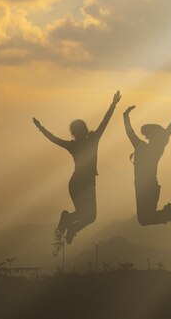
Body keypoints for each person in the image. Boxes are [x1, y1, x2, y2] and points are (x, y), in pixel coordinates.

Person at [33, 91, 121, 244]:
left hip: (76, 183)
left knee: (86, 215)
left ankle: (69, 223)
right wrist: (113, 105)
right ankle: (70, 226)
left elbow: (54, 139)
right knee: (90, 217)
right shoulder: (93, 140)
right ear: (85, 129)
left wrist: (41, 128)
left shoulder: (73, 145)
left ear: (73, 134)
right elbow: (104, 123)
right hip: (85, 184)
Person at [123, 105, 171, 230]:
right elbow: (167, 134)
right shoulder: (157, 148)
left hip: (146, 187)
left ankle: (169, 215)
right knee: (144, 219)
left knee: (144, 219)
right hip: (148, 187)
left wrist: (126, 116)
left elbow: (130, 133)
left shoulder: (141, 146)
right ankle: (168, 214)